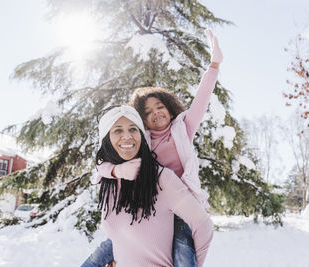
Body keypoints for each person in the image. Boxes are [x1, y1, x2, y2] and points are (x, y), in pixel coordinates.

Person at [82, 29, 222, 266]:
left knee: (183, 256)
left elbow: (201, 99)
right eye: (147, 112)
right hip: (152, 204)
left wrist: (214, 65)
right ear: (141, 121)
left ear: (168, 106)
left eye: (159, 106)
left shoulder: (183, 128)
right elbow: (103, 166)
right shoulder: (140, 140)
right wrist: (116, 171)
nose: (156, 113)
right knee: (102, 254)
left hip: (181, 211)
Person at [88, 105, 213, 266]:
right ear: (106, 139)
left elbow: (203, 225)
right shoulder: (108, 181)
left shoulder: (162, 179)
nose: (127, 136)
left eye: (133, 129)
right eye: (118, 130)